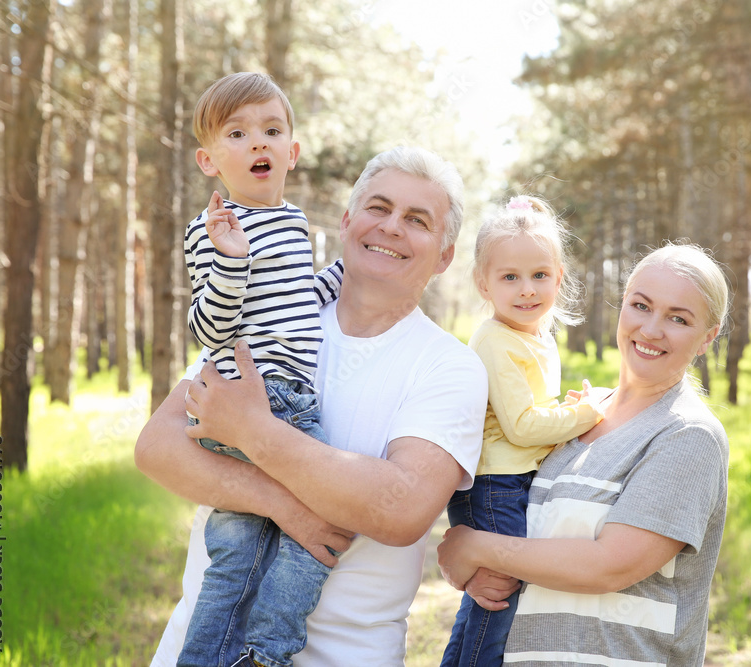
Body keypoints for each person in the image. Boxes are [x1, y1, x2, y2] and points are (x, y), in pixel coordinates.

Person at [134, 145, 488, 667]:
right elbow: (159, 447)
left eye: (417, 220)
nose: (391, 226)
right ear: (346, 221)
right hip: (197, 648)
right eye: (378, 207)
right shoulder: (267, 309)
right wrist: (285, 505)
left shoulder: (449, 366)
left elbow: (402, 508)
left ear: (444, 256)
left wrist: (253, 433)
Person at [438, 242, 731, 666]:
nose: (651, 329)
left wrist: (478, 548)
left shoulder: (687, 434)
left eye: (678, 318)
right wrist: (483, 576)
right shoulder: (575, 417)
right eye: (641, 306)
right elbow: (521, 533)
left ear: (707, 337)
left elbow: (608, 565)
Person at [177, 71, 346, 667]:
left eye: (271, 131)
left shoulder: (294, 221)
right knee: (324, 523)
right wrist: (231, 260)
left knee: (245, 551)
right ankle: (265, 652)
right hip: (255, 399)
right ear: (209, 161)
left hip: (289, 397)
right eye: (238, 133)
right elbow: (209, 327)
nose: (258, 142)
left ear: (291, 152)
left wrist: (346, 274)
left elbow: (295, 300)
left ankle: (220, 656)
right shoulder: (213, 229)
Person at [440, 195, 604, 667]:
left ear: (559, 277)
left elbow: (529, 410)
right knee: (498, 600)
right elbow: (521, 426)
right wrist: (586, 415)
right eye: (510, 277)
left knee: (483, 605)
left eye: (539, 275)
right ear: (484, 283)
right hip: (494, 486)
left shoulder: (535, 335)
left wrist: (563, 412)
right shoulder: (496, 339)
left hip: (510, 482)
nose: (527, 290)